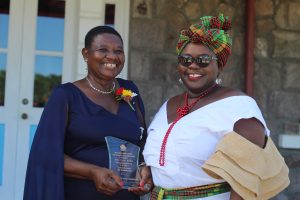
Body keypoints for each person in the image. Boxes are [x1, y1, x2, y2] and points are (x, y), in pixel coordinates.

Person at [143, 14, 290, 200]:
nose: (193, 66)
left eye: (203, 60)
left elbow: (246, 185)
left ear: (219, 65)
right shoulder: (168, 105)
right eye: (186, 59)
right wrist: (149, 169)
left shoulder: (239, 107)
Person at [23, 25, 152, 200]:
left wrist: (145, 168)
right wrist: (92, 172)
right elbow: (46, 154)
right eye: (103, 50)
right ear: (86, 54)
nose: (112, 56)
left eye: (118, 51)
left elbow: (142, 140)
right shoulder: (66, 95)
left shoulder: (130, 89)